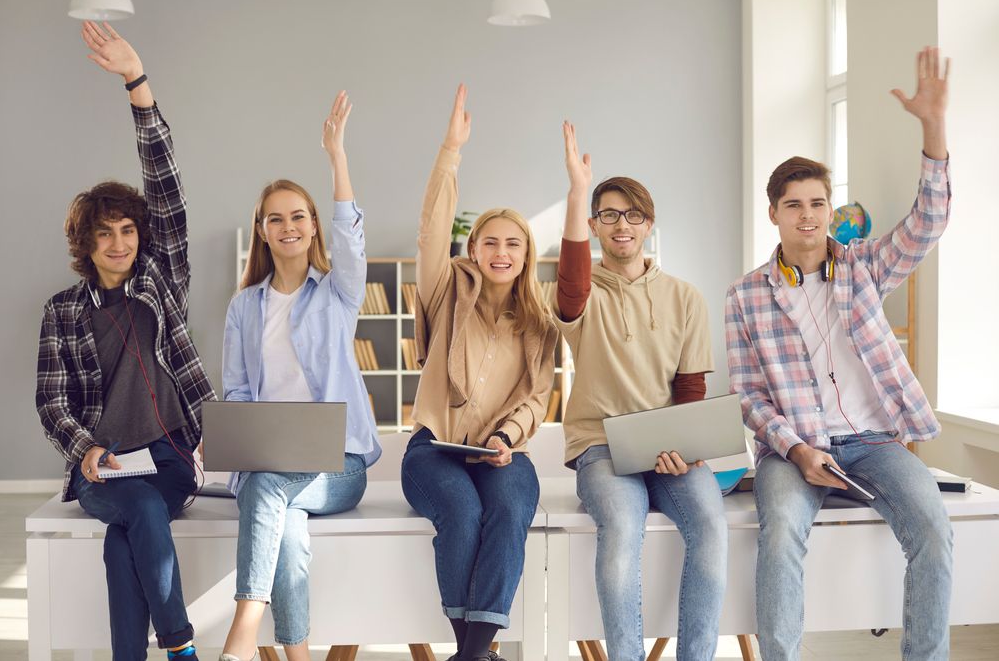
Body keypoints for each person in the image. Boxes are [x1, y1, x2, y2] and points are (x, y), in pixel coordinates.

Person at [725, 47, 952, 661]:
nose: (808, 215)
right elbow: (747, 396)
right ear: (773, 213)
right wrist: (797, 449)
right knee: (779, 536)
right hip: (793, 444)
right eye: (794, 205)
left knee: (933, 528)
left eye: (818, 204)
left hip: (875, 441)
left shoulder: (865, 268)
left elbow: (927, 223)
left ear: (832, 210)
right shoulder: (745, 296)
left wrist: (933, 130)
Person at [35, 22, 215, 661]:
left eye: (128, 230)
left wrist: (138, 83)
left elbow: (166, 187)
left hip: (169, 460)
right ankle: (180, 646)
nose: (120, 242)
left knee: (127, 533)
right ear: (85, 244)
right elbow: (53, 405)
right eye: (105, 233)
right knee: (132, 507)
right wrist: (84, 451)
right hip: (103, 467)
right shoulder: (62, 312)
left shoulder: (160, 283)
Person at [551, 122, 726, 661]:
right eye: (608, 215)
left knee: (712, 526)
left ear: (649, 224)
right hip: (599, 446)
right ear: (595, 227)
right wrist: (578, 191)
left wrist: (685, 448)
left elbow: (690, 386)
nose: (621, 225)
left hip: (667, 447)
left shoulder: (684, 296)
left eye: (632, 215)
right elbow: (573, 289)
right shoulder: (579, 295)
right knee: (623, 528)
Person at [217, 92, 382, 661]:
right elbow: (237, 395)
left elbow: (351, 238)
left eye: (298, 216)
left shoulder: (338, 294)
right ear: (261, 231)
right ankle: (298, 656)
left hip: (341, 466)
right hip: (270, 466)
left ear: (313, 227)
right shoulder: (243, 308)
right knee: (283, 523)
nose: (288, 226)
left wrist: (336, 155)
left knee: (268, 492)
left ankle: (242, 632)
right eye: (275, 218)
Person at [400, 85, 559, 661]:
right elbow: (430, 229)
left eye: (513, 243)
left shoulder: (539, 322)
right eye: (490, 240)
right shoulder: (446, 291)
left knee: (512, 508)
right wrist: (451, 151)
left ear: (525, 254)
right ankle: (477, 656)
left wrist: (505, 438)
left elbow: (537, 399)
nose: (501, 250)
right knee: (463, 512)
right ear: (474, 247)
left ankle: (471, 654)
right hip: (433, 450)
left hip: (500, 452)